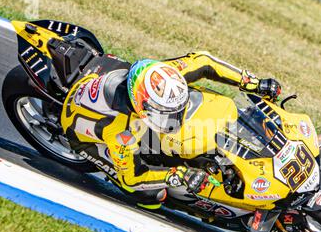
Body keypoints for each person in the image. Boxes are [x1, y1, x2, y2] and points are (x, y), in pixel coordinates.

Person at [60, 51, 281, 209]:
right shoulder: (121, 133)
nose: (174, 116)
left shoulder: (162, 76)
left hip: (107, 73)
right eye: (166, 112)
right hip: (86, 134)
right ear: (141, 106)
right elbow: (133, 178)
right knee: (150, 196)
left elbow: (204, 61)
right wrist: (176, 175)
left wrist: (252, 83)